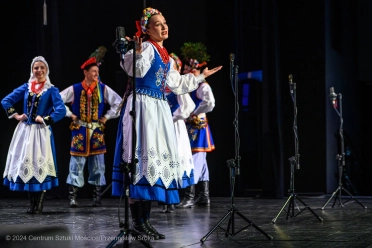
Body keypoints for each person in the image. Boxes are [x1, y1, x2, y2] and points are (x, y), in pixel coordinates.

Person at [111, 7, 222, 240]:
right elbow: (136, 71)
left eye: (165, 23)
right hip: (142, 106)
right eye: (158, 24)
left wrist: (201, 76)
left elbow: (177, 84)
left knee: (152, 163)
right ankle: (139, 223)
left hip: (157, 108)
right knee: (140, 162)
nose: (164, 27)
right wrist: (137, 51)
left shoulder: (165, 55)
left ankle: (145, 222)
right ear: (146, 29)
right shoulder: (147, 47)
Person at [1, 56, 66, 214]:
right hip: (25, 132)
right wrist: (16, 115)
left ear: (47, 70)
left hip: (40, 132)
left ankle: (40, 204)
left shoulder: (51, 90)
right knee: (26, 165)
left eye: (42, 67)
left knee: (40, 165)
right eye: (36, 68)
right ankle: (32, 204)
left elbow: (61, 110)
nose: (39, 70)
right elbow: (6, 100)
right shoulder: (26, 87)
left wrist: (45, 119)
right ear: (32, 70)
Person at [60, 48, 122, 208]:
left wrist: (107, 117)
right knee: (76, 164)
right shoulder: (75, 89)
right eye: (93, 71)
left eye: (97, 71)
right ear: (86, 72)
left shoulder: (103, 89)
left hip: (96, 132)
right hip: (79, 132)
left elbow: (119, 102)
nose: (96, 74)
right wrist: (70, 114)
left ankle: (97, 197)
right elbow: (57, 100)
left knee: (98, 166)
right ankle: (72, 197)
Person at [176, 42, 215, 208]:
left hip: (198, 129)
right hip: (191, 128)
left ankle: (190, 196)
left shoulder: (202, 86)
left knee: (193, 162)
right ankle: (204, 196)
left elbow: (210, 103)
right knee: (201, 163)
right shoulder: (192, 86)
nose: (186, 72)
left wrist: (195, 112)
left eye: (189, 70)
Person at [159, 53, 196, 213]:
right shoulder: (160, 86)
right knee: (163, 160)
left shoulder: (178, 87)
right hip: (161, 127)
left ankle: (184, 197)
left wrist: (174, 117)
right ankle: (168, 200)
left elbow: (189, 105)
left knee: (178, 158)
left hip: (175, 127)